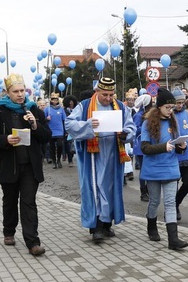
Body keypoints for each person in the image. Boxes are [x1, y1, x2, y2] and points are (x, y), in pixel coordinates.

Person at [0, 75, 51, 256]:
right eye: (16, 91)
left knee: (28, 202)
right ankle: (9, 231)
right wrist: (5, 139)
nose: (20, 95)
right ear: (8, 93)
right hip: (8, 164)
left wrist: (35, 126)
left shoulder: (34, 109)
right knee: (10, 199)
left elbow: (46, 136)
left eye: (22, 91)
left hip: (30, 165)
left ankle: (33, 242)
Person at [65, 77, 136, 242]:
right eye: (105, 95)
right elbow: (69, 124)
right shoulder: (84, 106)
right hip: (92, 155)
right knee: (94, 188)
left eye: (111, 95)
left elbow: (131, 126)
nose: (109, 98)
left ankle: (106, 223)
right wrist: (88, 125)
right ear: (97, 91)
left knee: (110, 188)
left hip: (112, 153)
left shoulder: (120, 106)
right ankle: (96, 226)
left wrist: (125, 133)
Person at [140, 88, 188, 250]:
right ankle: (151, 227)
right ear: (159, 107)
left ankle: (173, 239)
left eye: (172, 108)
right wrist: (163, 147)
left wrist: (181, 146)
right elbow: (145, 148)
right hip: (153, 170)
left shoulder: (173, 122)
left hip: (170, 169)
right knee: (154, 201)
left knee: (170, 202)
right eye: (168, 107)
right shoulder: (147, 123)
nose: (171, 110)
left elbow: (176, 147)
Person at [173, 88, 188, 220]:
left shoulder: (186, 114)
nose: (180, 105)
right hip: (175, 156)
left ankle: (176, 203)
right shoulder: (170, 115)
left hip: (187, 155)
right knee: (173, 185)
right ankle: (172, 209)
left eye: (182, 102)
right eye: (178, 102)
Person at [132, 94, 152, 202]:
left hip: (148, 145)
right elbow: (135, 130)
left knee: (148, 169)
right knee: (143, 170)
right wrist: (146, 126)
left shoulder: (148, 114)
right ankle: (143, 192)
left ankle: (148, 190)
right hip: (140, 146)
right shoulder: (139, 115)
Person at [46, 93, 67, 169]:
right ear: (51, 101)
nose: (54, 101)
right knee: (51, 147)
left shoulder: (61, 109)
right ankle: (54, 161)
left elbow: (64, 120)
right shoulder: (47, 109)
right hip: (51, 130)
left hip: (59, 130)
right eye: (53, 100)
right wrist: (46, 119)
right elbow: (42, 120)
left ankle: (58, 159)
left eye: (56, 100)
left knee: (60, 145)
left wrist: (66, 131)